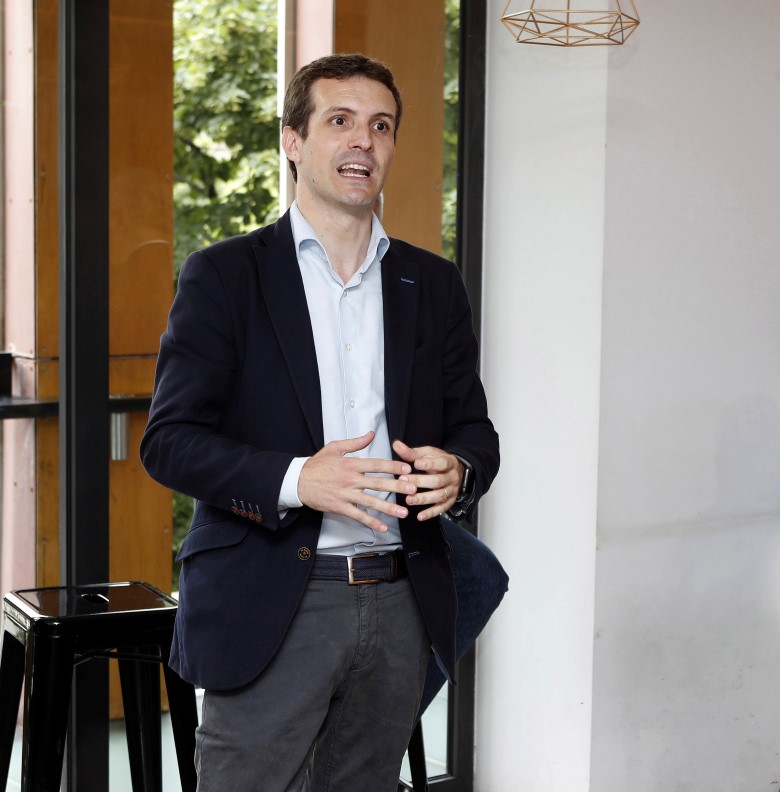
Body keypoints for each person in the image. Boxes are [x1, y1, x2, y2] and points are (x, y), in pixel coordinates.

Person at [141, 53, 503, 789]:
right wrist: (299, 479)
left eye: (380, 126)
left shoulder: (431, 284)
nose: (362, 143)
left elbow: (476, 430)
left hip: (403, 595)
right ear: (293, 140)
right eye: (339, 121)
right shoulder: (225, 275)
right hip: (275, 597)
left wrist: (458, 469)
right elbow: (169, 442)